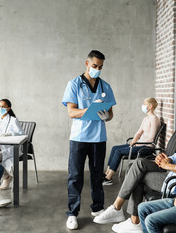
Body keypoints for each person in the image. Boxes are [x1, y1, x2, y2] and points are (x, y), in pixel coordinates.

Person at [93, 100, 176, 233]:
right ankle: (124, 213)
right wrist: (166, 158)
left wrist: (169, 166)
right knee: (137, 164)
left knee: (137, 177)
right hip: (171, 171)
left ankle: (128, 216)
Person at [62, 50, 116, 230]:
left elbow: (110, 115)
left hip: (99, 138)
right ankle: (72, 213)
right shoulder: (74, 84)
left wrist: (105, 116)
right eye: (94, 66)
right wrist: (90, 111)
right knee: (75, 176)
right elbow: (71, 112)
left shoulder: (105, 87)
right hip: (79, 138)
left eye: (100, 67)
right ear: (87, 63)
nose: (97, 69)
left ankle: (98, 208)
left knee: (96, 176)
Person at [103, 97, 161, 185]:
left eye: (144, 104)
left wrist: (137, 145)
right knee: (114, 148)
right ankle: (106, 174)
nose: (143, 106)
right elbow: (139, 132)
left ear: (150, 106)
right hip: (139, 144)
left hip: (146, 147)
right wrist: (134, 141)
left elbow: (151, 139)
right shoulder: (146, 118)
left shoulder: (154, 119)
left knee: (118, 152)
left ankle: (109, 178)